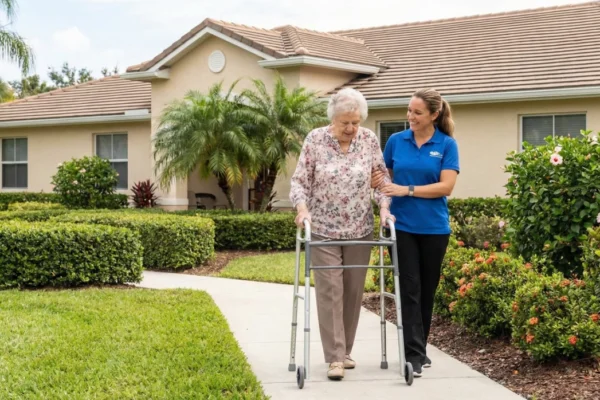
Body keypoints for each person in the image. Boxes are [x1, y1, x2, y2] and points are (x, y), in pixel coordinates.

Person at [290, 87, 394, 381]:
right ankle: (335, 358)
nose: (351, 128)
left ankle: (345, 350)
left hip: (360, 229)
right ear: (332, 119)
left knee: (352, 292)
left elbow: (380, 180)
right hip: (323, 229)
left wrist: (384, 208)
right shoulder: (315, 140)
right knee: (330, 291)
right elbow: (300, 182)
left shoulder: (369, 140)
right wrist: (302, 209)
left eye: (356, 122)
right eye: (344, 122)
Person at [372, 88, 459, 377]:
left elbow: (446, 187)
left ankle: (420, 346)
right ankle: (413, 356)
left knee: (426, 291)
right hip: (401, 226)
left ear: (434, 115)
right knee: (409, 288)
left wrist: (406, 189)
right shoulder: (396, 141)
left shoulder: (446, 145)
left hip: (435, 229)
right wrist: (381, 186)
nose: (410, 116)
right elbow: (383, 177)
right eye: (409, 110)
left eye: (417, 112)